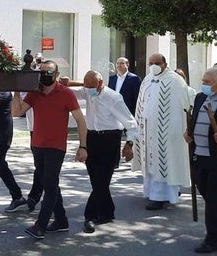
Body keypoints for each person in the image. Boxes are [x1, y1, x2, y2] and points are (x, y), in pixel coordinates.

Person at [12, 60, 88, 239]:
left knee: (49, 182)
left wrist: (83, 146)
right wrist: (16, 90)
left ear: (56, 75)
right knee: (50, 183)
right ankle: (61, 221)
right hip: (37, 145)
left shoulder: (66, 93)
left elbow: (80, 120)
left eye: (49, 72)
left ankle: (41, 225)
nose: (45, 75)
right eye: (43, 72)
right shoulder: (35, 93)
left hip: (56, 146)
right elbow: (17, 112)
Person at [73, 70, 138, 233]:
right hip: (91, 139)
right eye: (86, 86)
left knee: (102, 179)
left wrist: (129, 144)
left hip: (109, 140)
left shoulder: (114, 98)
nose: (88, 90)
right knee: (96, 179)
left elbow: (131, 124)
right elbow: (73, 93)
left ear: (101, 83)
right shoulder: (88, 91)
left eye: (91, 87)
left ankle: (90, 216)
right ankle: (107, 211)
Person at [133, 53, 190, 210]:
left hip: (166, 132)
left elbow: (183, 107)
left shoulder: (175, 81)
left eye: (156, 62)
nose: (153, 66)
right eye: (150, 62)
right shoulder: (147, 79)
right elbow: (141, 102)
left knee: (164, 161)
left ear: (165, 63)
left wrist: (176, 130)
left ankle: (162, 196)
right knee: (150, 162)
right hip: (147, 130)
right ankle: (152, 192)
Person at [184, 67, 217, 254]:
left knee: (214, 201)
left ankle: (212, 240)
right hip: (199, 156)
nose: (203, 85)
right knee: (208, 195)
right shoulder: (200, 98)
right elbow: (195, 120)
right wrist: (189, 134)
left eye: (207, 82)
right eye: (202, 81)